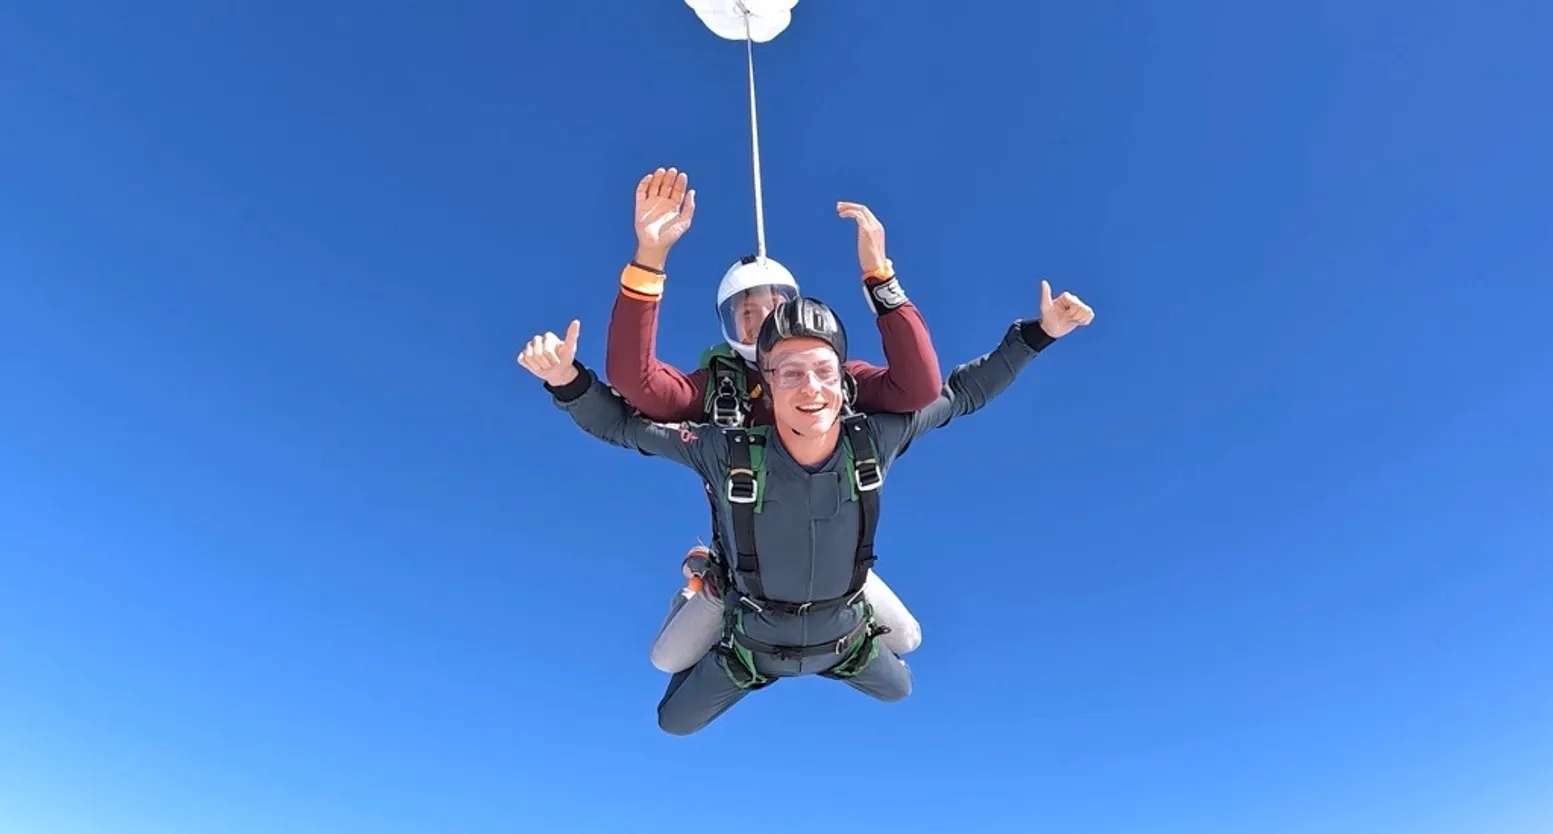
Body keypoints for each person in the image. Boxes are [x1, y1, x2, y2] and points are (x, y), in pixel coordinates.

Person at [516, 283, 1096, 736]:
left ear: (844, 385)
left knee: (907, 665)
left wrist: (1038, 334)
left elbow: (963, 393)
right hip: (750, 631)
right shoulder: (726, 451)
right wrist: (567, 381)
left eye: (823, 371)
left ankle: (840, 636)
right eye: (790, 374)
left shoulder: (876, 437)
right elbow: (625, 427)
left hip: (842, 622)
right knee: (669, 696)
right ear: (766, 388)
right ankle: (704, 581)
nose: (810, 387)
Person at [606, 167, 943, 674]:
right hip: (748, 567)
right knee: (667, 661)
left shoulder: (829, 378)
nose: (764, 322)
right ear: (730, 326)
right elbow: (638, 385)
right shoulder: (720, 387)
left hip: (830, 566)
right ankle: (704, 580)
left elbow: (919, 388)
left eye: (774, 306)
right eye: (747, 314)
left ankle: (824, 642)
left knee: (908, 639)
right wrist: (649, 260)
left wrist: (880, 276)